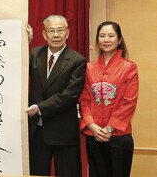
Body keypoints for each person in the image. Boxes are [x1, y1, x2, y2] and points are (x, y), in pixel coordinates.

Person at [25, 15, 87, 177]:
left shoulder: (77, 60)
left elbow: (70, 95)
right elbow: (17, 71)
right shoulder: (34, 53)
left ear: (67, 33)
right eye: (51, 31)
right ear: (45, 35)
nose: (56, 35)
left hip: (63, 131)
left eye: (60, 30)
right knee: (36, 173)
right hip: (37, 130)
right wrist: (25, 42)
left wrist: (40, 108)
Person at [79, 21, 139, 177]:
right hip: (94, 136)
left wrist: (110, 128)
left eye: (111, 36)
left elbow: (129, 102)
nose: (106, 39)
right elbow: (84, 100)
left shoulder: (129, 67)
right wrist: (91, 125)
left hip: (119, 137)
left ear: (119, 40)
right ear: (98, 40)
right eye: (102, 36)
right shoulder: (89, 68)